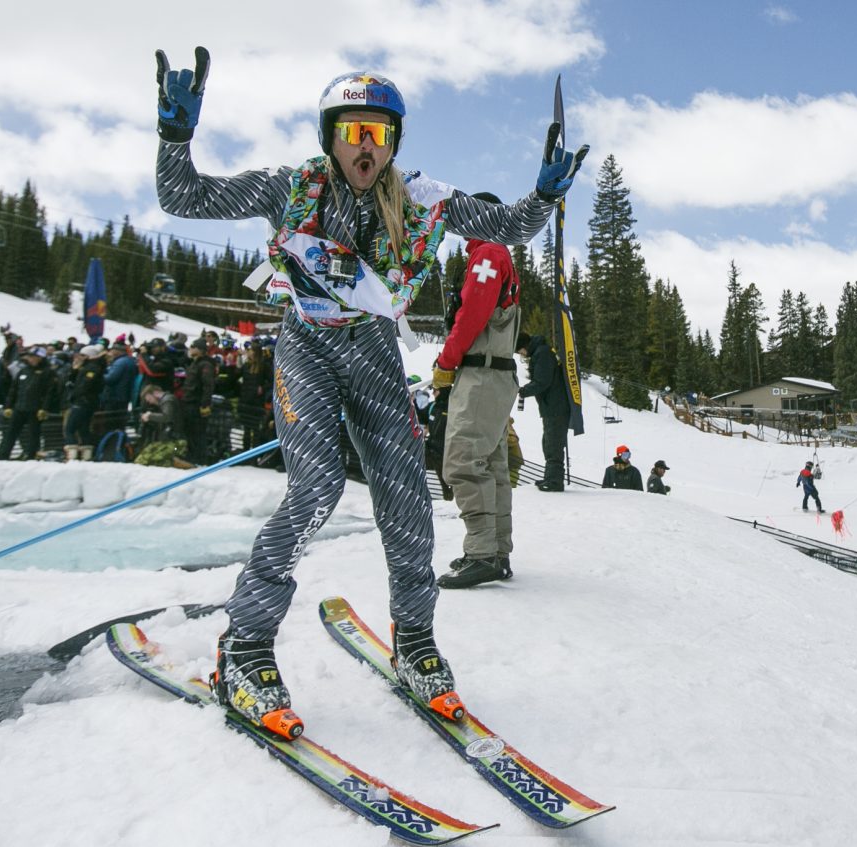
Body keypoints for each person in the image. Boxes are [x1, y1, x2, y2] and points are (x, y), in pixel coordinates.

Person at [153, 47, 586, 736]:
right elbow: (183, 197)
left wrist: (544, 196)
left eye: (379, 135)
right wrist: (175, 138)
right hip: (309, 346)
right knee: (318, 487)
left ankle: (415, 641)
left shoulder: (421, 200)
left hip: (376, 351)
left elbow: (506, 229)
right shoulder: (289, 188)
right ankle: (245, 644)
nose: (366, 147)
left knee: (407, 497)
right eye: (353, 131)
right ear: (330, 136)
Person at [434, 214, 521, 589]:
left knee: (464, 461)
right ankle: (496, 553)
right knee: (493, 465)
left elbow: (471, 316)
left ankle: (482, 554)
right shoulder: (498, 254)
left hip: (481, 372)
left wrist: (446, 362)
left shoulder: (486, 254)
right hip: (498, 374)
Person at [516, 332, 570, 491]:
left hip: (555, 406)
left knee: (553, 443)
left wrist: (524, 391)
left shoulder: (542, 354)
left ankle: (554, 481)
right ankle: (550, 477)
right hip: (552, 406)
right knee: (548, 442)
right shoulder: (541, 352)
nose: (521, 354)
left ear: (525, 346)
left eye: (520, 351)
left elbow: (542, 381)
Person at [0, 347, 59, 460]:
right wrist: (8, 406)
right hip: (19, 407)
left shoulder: (48, 372)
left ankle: (31, 456)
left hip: (35, 409)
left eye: (33, 357)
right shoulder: (24, 371)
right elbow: (14, 389)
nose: (30, 359)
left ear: (40, 358)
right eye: (30, 357)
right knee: (10, 432)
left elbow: (50, 392)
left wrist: (44, 408)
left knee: (33, 434)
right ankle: (3, 455)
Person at [182, 337, 217, 464]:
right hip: (189, 401)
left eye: (193, 347)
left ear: (200, 350)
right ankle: (192, 454)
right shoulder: (194, 363)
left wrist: (204, 404)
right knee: (190, 430)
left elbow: (208, 386)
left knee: (197, 431)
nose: (191, 349)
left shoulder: (205, 365)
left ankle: (199, 457)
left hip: (196, 403)